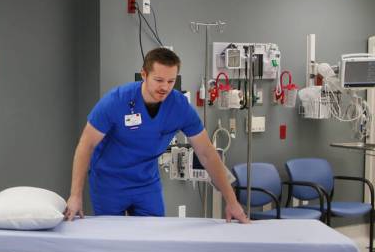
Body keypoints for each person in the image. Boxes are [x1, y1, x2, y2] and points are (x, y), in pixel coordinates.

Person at [65, 47, 248, 223]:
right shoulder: (116, 102)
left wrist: (231, 201)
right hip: (110, 183)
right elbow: (85, 146)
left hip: (146, 183)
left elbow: (207, 153)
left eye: (171, 81)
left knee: (154, 238)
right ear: (144, 74)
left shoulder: (179, 107)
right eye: (159, 80)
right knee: (112, 241)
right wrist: (75, 195)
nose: (165, 87)